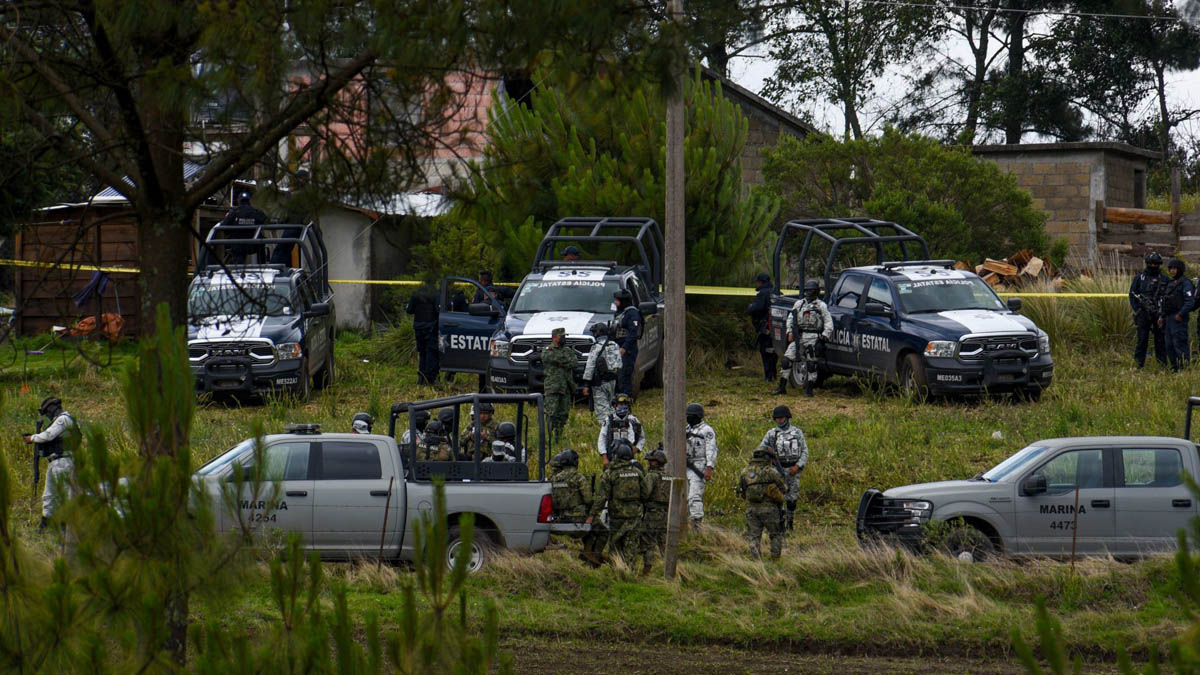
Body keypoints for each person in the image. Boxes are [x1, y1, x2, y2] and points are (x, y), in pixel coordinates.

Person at [587, 440, 651, 572]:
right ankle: (630, 572)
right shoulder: (637, 473)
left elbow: (601, 498)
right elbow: (646, 494)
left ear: (615, 456)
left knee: (616, 544)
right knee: (631, 545)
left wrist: (592, 515)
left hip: (617, 516)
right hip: (634, 516)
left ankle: (616, 571)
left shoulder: (610, 474)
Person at [23, 396, 76, 533]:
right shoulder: (58, 421)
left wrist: (32, 438)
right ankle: (45, 526)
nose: (47, 414)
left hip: (63, 462)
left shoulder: (63, 419)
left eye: (47, 411)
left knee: (64, 494)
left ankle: (66, 527)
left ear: (52, 408)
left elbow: (49, 435)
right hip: (55, 462)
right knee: (49, 495)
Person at [776, 279, 833, 396]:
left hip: (813, 336)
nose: (809, 293)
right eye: (807, 290)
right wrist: (789, 332)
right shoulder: (799, 304)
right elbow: (791, 319)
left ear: (816, 291)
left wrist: (823, 337)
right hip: (799, 336)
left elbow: (829, 323)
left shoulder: (821, 306)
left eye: (811, 290)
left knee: (811, 364)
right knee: (787, 360)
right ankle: (782, 387)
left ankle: (809, 389)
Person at [756, 405, 808, 532]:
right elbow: (759, 450)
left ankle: (790, 523)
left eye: (782, 418)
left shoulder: (797, 432)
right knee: (778, 499)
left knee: (792, 499)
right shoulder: (771, 434)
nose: (779, 420)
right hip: (777, 470)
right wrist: (769, 456)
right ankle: (781, 524)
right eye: (777, 418)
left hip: (793, 470)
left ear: (787, 417)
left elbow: (805, 451)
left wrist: (798, 465)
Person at [549, 449, 605, 567]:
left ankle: (588, 557)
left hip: (560, 519)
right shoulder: (579, 478)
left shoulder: (553, 479)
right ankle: (592, 556)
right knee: (603, 531)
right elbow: (588, 499)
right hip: (578, 519)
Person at [737, 446, 786, 560]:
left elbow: (741, 491)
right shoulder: (771, 471)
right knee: (775, 535)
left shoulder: (745, 472)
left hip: (752, 509)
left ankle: (757, 563)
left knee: (754, 537)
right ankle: (775, 561)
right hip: (770, 509)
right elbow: (783, 488)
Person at [1129, 251, 1169, 369]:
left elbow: (1168, 297)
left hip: (1159, 313)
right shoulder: (1140, 278)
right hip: (1143, 313)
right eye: (1150, 264)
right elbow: (1132, 294)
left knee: (1160, 340)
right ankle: (1138, 364)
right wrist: (1137, 309)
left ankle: (1162, 365)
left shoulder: (1165, 279)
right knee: (1142, 339)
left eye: (1155, 264)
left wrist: (1163, 313)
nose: (1152, 266)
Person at [540, 326, 576, 446]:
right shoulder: (548, 349)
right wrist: (563, 360)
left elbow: (574, 362)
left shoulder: (568, 350)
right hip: (553, 387)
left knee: (563, 413)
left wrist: (561, 361)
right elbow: (548, 358)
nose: (564, 339)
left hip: (566, 387)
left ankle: (558, 437)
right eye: (562, 336)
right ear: (555, 338)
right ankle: (549, 438)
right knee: (551, 413)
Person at [684, 403, 718, 529]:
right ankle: (685, 523)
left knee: (694, 496)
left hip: (699, 466)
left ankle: (696, 524)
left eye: (691, 416)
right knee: (684, 496)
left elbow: (711, 449)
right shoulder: (686, 429)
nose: (688, 418)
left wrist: (709, 468)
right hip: (685, 465)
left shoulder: (707, 430)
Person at [582, 322, 621, 423]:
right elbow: (619, 364)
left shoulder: (596, 347)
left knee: (602, 411)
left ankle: (607, 433)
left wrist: (586, 384)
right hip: (612, 381)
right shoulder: (615, 345)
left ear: (598, 333)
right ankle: (615, 427)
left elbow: (590, 366)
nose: (594, 335)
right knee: (612, 406)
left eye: (595, 333)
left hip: (599, 383)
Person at [1162, 258, 1195, 371]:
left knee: (1179, 344)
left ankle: (1184, 369)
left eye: (1174, 268)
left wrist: (1181, 314)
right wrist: (1162, 317)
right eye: (1170, 268)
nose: (1172, 271)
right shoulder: (1170, 283)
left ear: (1180, 269)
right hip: (1169, 318)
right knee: (1169, 345)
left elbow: (1190, 302)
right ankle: (1174, 369)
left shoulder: (1186, 283)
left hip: (1179, 319)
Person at [219, 192, 268, 264]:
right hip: (253, 244)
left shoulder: (233, 212)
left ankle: (239, 272)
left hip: (237, 244)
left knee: (238, 265)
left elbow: (223, 226)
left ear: (239, 201)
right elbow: (266, 222)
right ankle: (262, 267)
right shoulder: (256, 212)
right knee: (261, 244)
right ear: (249, 201)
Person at [597, 393, 645, 466]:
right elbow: (602, 439)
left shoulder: (633, 420)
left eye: (625, 404)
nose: (623, 406)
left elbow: (642, 437)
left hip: (629, 458)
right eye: (621, 404)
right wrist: (605, 458)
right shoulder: (608, 421)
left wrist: (636, 449)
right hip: (612, 458)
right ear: (615, 405)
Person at [406, 283, 440, 384]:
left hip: (419, 327)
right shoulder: (435, 294)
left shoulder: (415, 294)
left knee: (422, 353)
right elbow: (438, 310)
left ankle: (421, 378)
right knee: (431, 353)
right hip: (431, 327)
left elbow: (409, 310)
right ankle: (429, 379)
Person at [642, 447, 671, 564]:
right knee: (664, 542)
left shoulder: (651, 476)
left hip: (653, 514)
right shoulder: (669, 476)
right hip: (666, 513)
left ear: (656, 462)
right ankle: (668, 567)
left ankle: (647, 568)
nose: (648, 463)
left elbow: (645, 494)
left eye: (650, 461)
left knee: (649, 542)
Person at [747, 272, 777, 383]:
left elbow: (753, 309)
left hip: (765, 328)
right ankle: (773, 374)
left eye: (758, 282)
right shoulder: (777, 291)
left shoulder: (762, 294)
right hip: (776, 328)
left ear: (761, 282)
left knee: (765, 351)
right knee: (773, 352)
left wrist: (749, 306)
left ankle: (768, 376)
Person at [611, 289, 642, 396]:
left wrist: (624, 348)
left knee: (625, 375)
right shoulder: (621, 313)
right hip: (618, 347)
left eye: (617, 300)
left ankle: (627, 398)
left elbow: (633, 333)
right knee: (617, 374)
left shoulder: (632, 313)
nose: (615, 303)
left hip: (627, 350)